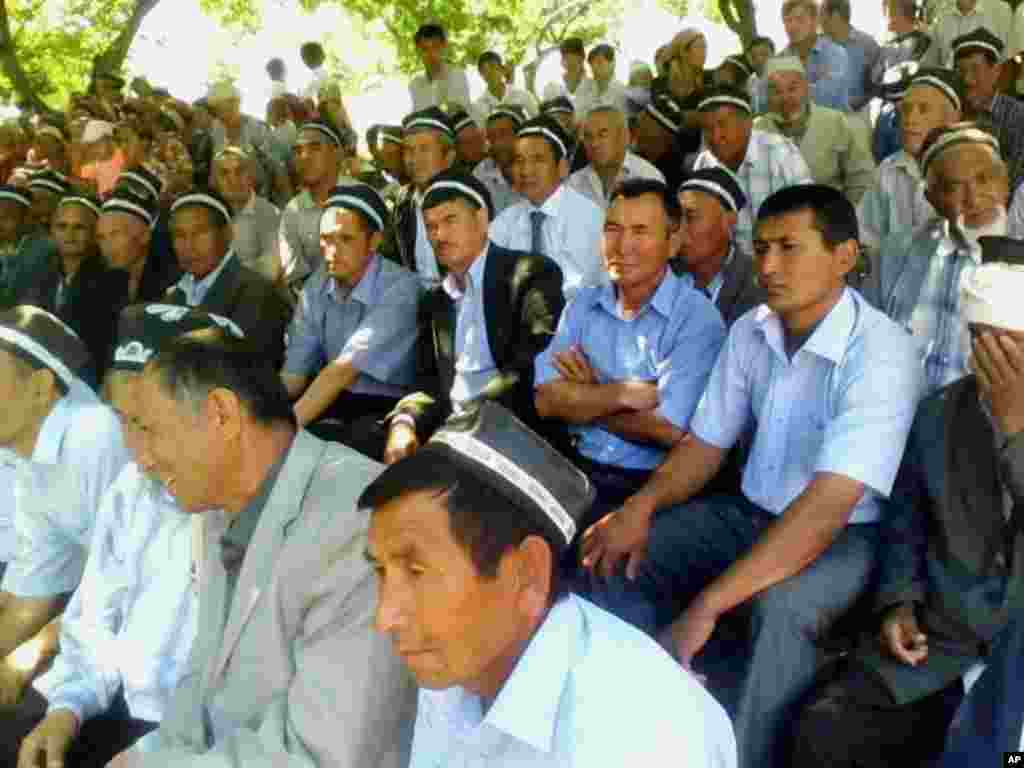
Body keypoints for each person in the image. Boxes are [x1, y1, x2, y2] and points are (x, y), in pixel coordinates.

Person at [581, 184, 923, 768]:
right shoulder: (751, 330)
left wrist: (708, 606)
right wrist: (637, 509)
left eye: (790, 248)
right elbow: (704, 447)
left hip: (844, 536)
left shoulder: (882, 351)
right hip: (748, 514)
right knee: (618, 550)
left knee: (778, 614)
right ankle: (626, 726)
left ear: (845, 257)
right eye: (761, 248)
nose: (767, 266)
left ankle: (740, 757)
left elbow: (826, 509)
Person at [103, 327, 415, 768]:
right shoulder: (217, 510)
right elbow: (203, 682)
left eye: (152, 430)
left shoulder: (356, 520)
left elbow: (322, 753)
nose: (143, 458)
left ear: (221, 414)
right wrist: (143, 755)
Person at [365, 401, 738, 768]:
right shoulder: (459, 669)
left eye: (418, 572)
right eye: (381, 571)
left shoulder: (644, 741)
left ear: (528, 573)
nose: (384, 618)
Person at [792, 240, 1024, 767]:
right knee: (827, 730)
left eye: (1011, 348)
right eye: (984, 344)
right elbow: (905, 526)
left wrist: (1016, 432)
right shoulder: (941, 415)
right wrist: (899, 602)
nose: (995, 362)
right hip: (939, 647)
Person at [10, 305, 242, 768]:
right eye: (123, 419)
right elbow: (95, 618)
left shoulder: (252, 511)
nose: (136, 450)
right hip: (117, 704)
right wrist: (66, 709)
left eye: (150, 425)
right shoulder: (133, 487)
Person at [535, 178, 725, 543]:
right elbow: (546, 400)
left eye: (640, 231)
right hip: (574, 468)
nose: (623, 245)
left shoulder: (696, 320)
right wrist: (622, 393)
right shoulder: (582, 305)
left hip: (649, 488)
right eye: (613, 229)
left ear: (672, 243)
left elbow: (668, 430)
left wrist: (586, 394)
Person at [382, 169, 565, 465]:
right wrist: (404, 422)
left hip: (513, 437)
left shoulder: (529, 274)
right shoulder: (436, 301)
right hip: (449, 436)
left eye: (450, 220)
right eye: (430, 226)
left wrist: (461, 424)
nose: (438, 235)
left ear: (481, 219)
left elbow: (529, 373)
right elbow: (427, 383)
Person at [0, 307, 128, 715]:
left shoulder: (95, 435)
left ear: (41, 387)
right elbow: (33, 589)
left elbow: (123, 581)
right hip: (98, 618)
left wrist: (28, 656)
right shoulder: (27, 455)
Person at [865, 123, 1011, 393]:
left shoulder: (1018, 260)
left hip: (988, 427)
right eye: (954, 187)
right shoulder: (895, 253)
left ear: (1005, 182)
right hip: (896, 415)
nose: (973, 197)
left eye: (984, 179)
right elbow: (865, 344)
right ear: (931, 198)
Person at [282, 184, 420, 460]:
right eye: (326, 239)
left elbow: (343, 370)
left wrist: (281, 434)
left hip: (385, 408)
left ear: (374, 241)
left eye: (346, 239)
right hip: (328, 400)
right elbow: (294, 375)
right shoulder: (316, 285)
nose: (331, 252)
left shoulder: (401, 288)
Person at [164, 189, 291, 366]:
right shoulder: (174, 295)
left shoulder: (256, 292)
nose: (189, 245)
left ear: (228, 234)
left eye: (200, 232)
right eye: (179, 236)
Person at [489, 115, 604, 299]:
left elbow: (585, 288)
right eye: (519, 160)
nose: (526, 171)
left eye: (538, 160)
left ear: (562, 167)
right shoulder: (505, 222)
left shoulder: (587, 217)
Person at [693, 86, 813, 253]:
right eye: (707, 128)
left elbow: (807, 220)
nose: (715, 136)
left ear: (748, 123)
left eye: (723, 125)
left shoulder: (781, 153)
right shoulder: (705, 164)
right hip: (731, 270)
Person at [857, 67, 964, 252]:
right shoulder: (890, 168)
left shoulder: (971, 171)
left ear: (952, 119)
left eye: (923, 110)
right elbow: (866, 236)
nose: (910, 119)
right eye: (906, 109)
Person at [20, 191, 121, 382]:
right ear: (52, 231)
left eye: (79, 227)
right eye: (62, 226)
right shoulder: (39, 272)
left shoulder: (111, 279)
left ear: (94, 233)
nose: (69, 234)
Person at [755, 56, 876, 204]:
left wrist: (847, 217)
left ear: (806, 88)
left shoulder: (837, 122)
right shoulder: (756, 132)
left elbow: (861, 179)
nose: (785, 98)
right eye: (777, 91)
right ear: (767, 96)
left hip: (831, 219)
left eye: (792, 88)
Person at [675, 168, 765, 327]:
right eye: (676, 218)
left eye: (691, 217)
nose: (679, 229)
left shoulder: (757, 286)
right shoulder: (663, 274)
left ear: (729, 221)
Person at [278, 118, 350, 294]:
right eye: (298, 151)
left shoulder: (363, 198)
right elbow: (295, 277)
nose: (304, 157)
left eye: (315, 148)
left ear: (337, 153)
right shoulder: (293, 212)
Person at [386, 107, 456, 281]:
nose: (414, 159)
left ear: (448, 156)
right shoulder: (403, 202)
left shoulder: (466, 200)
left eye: (424, 149)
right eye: (409, 150)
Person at [952, 27, 1024, 189]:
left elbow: (1017, 181)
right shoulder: (953, 114)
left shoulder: (1018, 116)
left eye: (976, 70)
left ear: (996, 71)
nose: (968, 80)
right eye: (961, 71)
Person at [567, 106, 664, 209]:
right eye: (588, 137)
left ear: (624, 137)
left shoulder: (649, 177)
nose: (594, 144)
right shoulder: (573, 184)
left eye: (602, 135)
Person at [97, 189, 179, 308]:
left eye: (115, 235)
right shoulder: (102, 281)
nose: (107, 246)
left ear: (144, 236)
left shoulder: (171, 285)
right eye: (101, 237)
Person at [211, 146, 282, 283]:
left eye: (239, 171)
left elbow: (271, 271)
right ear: (216, 182)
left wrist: (222, 277)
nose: (232, 179)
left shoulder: (268, 213)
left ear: (250, 177)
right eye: (224, 173)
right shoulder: (214, 215)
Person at [768, 0, 851, 111]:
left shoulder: (835, 53)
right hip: (793, 125)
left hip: (831, 124)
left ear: (815, 22)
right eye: (788, 20)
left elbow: (825, 98)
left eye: (799, 19)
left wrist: (787, 92)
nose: (792, 26)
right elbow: (770, 100)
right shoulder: (779, 60)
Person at [821, 0, 882, 113]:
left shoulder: (867, 44)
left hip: (856, 119)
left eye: (821, 15)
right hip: (825, 118)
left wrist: (855, 105)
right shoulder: (818, 46)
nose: (819, 21)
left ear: (835, 16)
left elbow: (878, 83)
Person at [475, 105, 526, 217]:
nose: (498, 143)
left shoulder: (536, 166)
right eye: (492, 137)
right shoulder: (481, 173)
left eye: (503, 134)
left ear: (520, 135)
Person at [633, 93, 691, 193]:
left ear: (665, 135)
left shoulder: (676, 180)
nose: (638, 128)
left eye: (646, 125)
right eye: (641, 120)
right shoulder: (632, 159)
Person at [408, 23, 471, 112]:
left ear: (444, 46)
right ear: (418, 51)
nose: (431, 54)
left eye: (435, 47)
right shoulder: (415, 83)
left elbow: (458, 113)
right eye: (425, 49)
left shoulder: (457, 75)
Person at [931, 0, 1012, 67]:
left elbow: (1009, 62)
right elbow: (931, 64)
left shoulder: (1000, 11)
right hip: (948, 83)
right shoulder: (940, 13)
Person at [471, 50, 538, 127]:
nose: (490, 73)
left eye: (493, 67)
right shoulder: (478, 105)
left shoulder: (523, 95)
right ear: (481, 74)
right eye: (484, 70)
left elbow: (538, 122)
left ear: (501, 69)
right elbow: (483, 135)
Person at [574, 43, 629, 121]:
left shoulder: (621, 91)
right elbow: (576, 116)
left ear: (612, 63)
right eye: (591, 63)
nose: (594, 67)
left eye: (599, 62)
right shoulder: (584, 86)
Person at [542, 37, 592, 104]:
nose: (569, 63)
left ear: (582, 59)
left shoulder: (593, 87)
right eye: (566, 58)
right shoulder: (552, 88)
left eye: (573, 61)